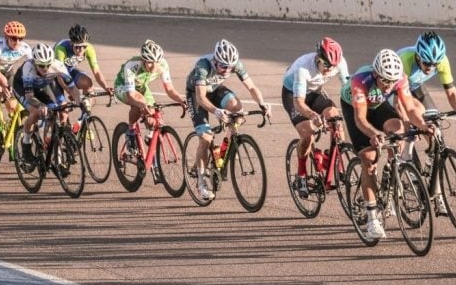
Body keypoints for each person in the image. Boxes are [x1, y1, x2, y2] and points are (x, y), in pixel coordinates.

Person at [340, 48, 433, 240]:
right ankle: (372, 219)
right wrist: (374, 134)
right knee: (369, 159)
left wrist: (423, 125)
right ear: (376, 74)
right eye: (385, 81)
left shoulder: (399, 79)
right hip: (355, 108)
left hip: (377, 105)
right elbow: (360, 120)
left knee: (398, 129)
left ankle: (389, 180)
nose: (389, 86)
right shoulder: (360, 81)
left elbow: (409, 109)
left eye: (393, 82)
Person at [396, 30, 456, 214]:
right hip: (397, 91)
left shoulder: (442, 61)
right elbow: (400, 103)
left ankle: (436, 191)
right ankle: (405, 158)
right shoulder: (404, 61)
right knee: (408, 123)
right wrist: (409, 124)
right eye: (427, 63)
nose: (431, 68)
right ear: (417, 56)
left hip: (416, 88)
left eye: (435, 64)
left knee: (435, 131)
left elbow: (452, 92)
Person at [185, 39, 272, 200]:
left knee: (238, 111)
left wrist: (262, 102)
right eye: (223, 67)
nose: (227, 71)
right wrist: (216, 111)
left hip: (215, 89)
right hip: (197, 94)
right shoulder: (203, 65)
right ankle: (201, 182)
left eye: (230, 68)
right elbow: (201, 97)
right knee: (205, 137)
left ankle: (224, 149)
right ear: (215, 60)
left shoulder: (235, 64)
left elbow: (251, 87)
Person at [282, 36, 350, 198]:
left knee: (337, 122)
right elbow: (298, 103)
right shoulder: (303, 69)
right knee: (307, 135)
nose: (329, 69)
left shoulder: (339, 63)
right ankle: (301, 174)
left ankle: (334, 161)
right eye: (326, 64)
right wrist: (313, 116)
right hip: (294, 95)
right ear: (318, 58)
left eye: (333, 66)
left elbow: (348, 88)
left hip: (315, 92)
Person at [12, 43, 81, 161]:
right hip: (23, 89)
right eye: (41, 65)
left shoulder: (57, 65)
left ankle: (54, 139)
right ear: (35, 62)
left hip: (43, 86)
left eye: (48, 64)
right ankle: (26, 145)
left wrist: (79, 101)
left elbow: (73, 88)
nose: (45, 68)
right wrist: (41, 105)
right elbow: (29, 97)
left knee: (59, 108)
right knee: (35, 113)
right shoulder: (28, 68)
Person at [113, 39, 185, 151]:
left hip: (141, 87)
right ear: (143, 60)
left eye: (157, 62)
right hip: (123, 87)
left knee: (153, 118)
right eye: (150, 62)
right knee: (139, 104)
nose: (154, 67)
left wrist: (181, 100)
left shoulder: (163, 65)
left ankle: (150, 138)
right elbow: (131, 94)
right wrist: (141, 105)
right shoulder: (132, 66)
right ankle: (130, 131)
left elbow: (170, 89)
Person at [0, 21, 33, 133]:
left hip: (8, 72)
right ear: (6, 37)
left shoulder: (25, 48)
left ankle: (11, 129)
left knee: (13, 104)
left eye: (20, 38)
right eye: (13, 38)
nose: (17, 42)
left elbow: (32, 69)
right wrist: (4, 85)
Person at [54, 24, 114, 97]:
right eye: (77, 47)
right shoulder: (61, 49)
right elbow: (59, 75)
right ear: (71, 44)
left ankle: (87, 106)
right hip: (53, 75)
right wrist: (69, 90)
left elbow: (97, 72)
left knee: (87, 84)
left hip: (69, 70)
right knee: (63, 107)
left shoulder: (89, 49)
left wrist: (106, 87)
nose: (81, 50)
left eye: (84, 46)